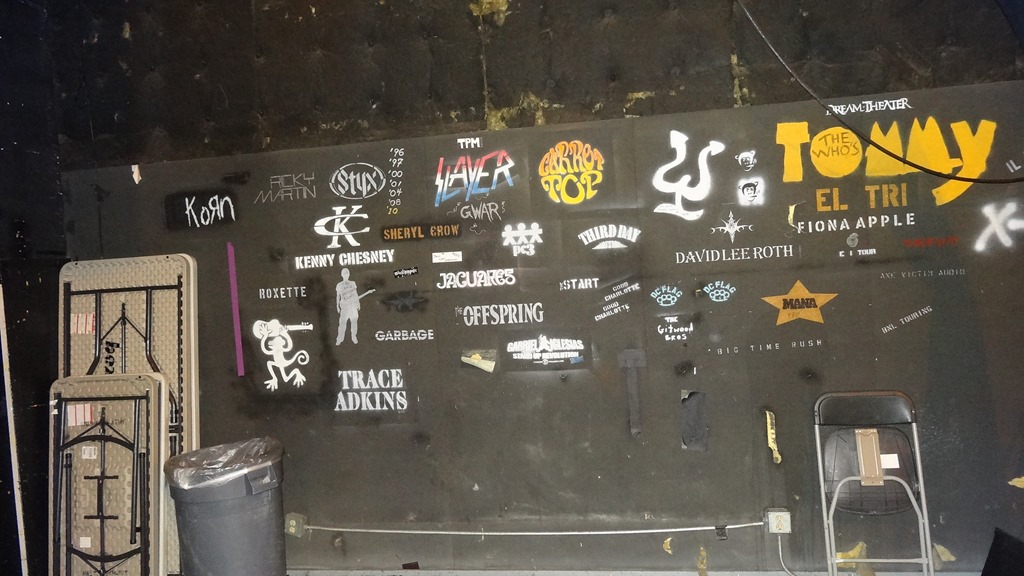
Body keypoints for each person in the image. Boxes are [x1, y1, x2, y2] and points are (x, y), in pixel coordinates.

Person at [335, 267, 369, 344]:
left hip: (353, 306)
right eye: (344, 273)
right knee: (342, 323)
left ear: (349, 274)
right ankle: (339, 339)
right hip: (344, 306)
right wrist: (337, 306)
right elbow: (338, 296)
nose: (346, 274)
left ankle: (354, 337)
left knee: (354, 322)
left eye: (347, 272)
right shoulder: (339, 285)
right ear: (341, 274)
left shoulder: (352, 283)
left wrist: (358, 303)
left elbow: (355, 294)